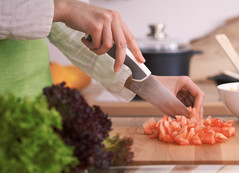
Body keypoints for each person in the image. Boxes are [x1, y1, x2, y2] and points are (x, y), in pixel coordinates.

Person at [0, 0, 205, 117]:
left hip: (38, 113)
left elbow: (70, 25)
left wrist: (149, 83)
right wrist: (61, 8)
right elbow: (61, 11)